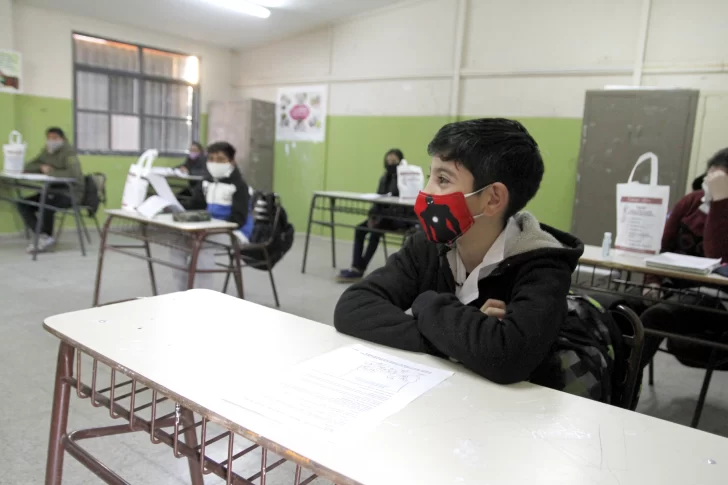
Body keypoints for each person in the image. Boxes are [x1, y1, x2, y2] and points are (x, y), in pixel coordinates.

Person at [334, 118, 585, 387]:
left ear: (492, 199)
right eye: (430, 175)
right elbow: (353, 307)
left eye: (442, 179)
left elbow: (507, 359)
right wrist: (459, 340)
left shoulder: (542, 265)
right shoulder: (428, 246)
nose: (426, 191)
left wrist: (426, 304)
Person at [639, 148, 728, 369]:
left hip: (716, 298)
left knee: (654, 317)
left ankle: (622, 387)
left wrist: (720, 204)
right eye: (711, 176)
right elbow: (662, 245)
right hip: (675, 285)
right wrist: (652, 281)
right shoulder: (690, 202)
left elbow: (717, 254)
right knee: (619, 306)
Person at [170, 141, 251, 291]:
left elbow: (239, 219)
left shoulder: (239, 185)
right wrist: (173, 208)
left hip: (234, 232)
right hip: (209, 228)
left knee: (202, 247)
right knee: (177, 243)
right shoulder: (206, 181)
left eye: (220, 159)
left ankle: (203, 295)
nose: (215, 163)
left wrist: (211, 227)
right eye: (211, 159)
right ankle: (181, 292)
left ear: (231, 162)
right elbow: (195, 205)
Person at [337, 149, 413, 283]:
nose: (390, 164)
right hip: (382, 217)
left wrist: (378, 219)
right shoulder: (384, 178)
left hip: (398, 219)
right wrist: (372, 216)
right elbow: (378, 199)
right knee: (360, 229)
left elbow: (402, 204)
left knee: (375, 232)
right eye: (388, 161)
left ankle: (358, 270)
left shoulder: (405, 179)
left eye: (394, 161)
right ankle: (357, 267)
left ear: (401, 162)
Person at [18, 127, 83, 253]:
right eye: (49, 138)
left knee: (47, 205)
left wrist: (52, 171)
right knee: (23, 203)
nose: (51, 141)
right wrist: (41, 167)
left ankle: (45, 238)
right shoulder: (46, 151)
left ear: (62, 139)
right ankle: (43, 236)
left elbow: (74, 174)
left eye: (55, 138)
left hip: (70, 193)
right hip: (52, 191)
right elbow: (29, 165)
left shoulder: (69, 153)